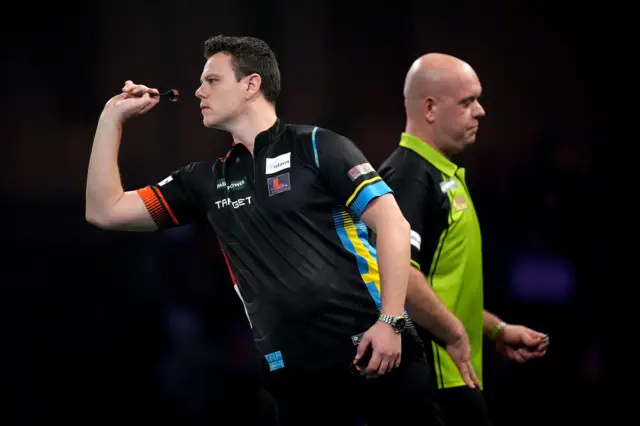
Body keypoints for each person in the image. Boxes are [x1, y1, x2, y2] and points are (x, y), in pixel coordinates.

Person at [85, 35, 446, 426]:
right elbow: (105, 210)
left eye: (212, 80)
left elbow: (393, 224)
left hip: (376, 353)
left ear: (251, 85)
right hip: (296, 379)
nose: (197, 91)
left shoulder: (317, 146)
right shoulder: (204, 181)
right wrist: (111, 119)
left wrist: (390, 321)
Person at [376, 53, 550, 426]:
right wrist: (454, 333)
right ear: (430, 108)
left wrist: (495, 329)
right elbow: (398, 275)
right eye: (468, 101)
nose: (481, 111)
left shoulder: (442, 173)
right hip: (433, 385)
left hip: (454, 378)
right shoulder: (407, 177)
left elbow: (441, 285)